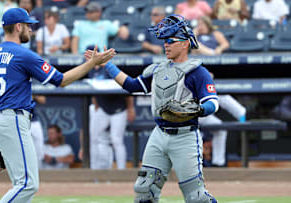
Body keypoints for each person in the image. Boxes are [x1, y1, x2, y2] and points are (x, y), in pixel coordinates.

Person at [0, 8, 115, 203]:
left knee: (22, 184)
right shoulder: (23, 54)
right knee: (27, 185)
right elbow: (61, 80)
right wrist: (91, 63)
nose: (31, 30)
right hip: (13, 119)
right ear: (18, 27)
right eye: (28, 26)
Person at [85, 14, 219, 203]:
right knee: (144, 190)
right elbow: (132, 85)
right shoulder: (158, 69)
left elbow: (213, 103)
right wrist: (108, 65)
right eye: (164, 41)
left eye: (171, 41)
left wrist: (197, 110)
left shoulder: (198, 72)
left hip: (185, 136)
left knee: (195, 197)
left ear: (185, 43)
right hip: (159, 134)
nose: (166, 45)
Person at [87, 47, 136, 170]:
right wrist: (96, 106)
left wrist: (131, 109)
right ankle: (94, 169)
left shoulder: (109, 68)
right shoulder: (91, 70)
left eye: (95, 54)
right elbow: (93, 89)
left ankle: (121, 170)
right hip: (103, 108)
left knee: (116, 140)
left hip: (118, 109)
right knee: (93, 138)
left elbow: (127, 89)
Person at [199, 94, 246, 167]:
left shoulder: (211, 88)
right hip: (184, 110)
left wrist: (241, 115)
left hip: (199, 112)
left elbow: (224, 99)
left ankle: (218, 163)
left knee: (220, 129)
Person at [31, 95, 46, 168]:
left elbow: (43, 100)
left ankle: (40, 171)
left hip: (34, 121)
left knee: (39, 150)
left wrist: (33, 97)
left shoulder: (34, 85)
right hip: (20, 120)